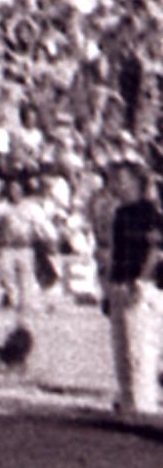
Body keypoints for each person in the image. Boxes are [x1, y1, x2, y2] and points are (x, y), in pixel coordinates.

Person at [91, 157, 162, 416]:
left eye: (120, 180)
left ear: (135, 182)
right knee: (122, 349)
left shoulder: (150, 213)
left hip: (142, 286)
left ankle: (143, 405)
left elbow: (156, 250)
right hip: (120, 284)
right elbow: (115, 253)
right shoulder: (121, 214)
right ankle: (128, 402)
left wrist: (141, 280)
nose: (115, 185)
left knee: (140, 350)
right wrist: (109, 288)